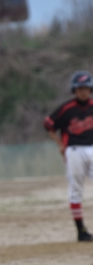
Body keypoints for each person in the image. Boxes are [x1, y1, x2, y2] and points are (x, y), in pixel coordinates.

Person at [44, 70, 93, 242]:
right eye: (80, 88)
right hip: (74, 150)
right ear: (74, 90)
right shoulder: (67, 108)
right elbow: (48, 124)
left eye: (86, 88)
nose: (83, 91)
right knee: (76, 190)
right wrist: (60, 143)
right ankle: (81, 231)